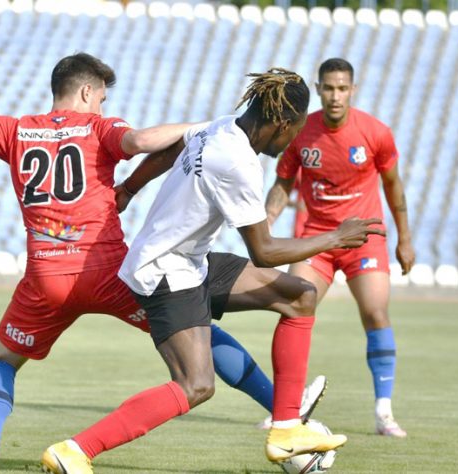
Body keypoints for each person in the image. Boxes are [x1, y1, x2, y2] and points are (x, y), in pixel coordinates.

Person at [0, 54, 324, 473]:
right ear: (86, 92)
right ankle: (285, 409)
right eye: (102, 96)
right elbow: (141, 142)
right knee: (199, 337)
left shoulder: (15, 130)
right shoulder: (99, 127)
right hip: (108, 273)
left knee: (2, 360)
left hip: (45, 280)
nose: (104, 104)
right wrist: (205, 128)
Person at [41, 68, 385, 474]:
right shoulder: (238, 163)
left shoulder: (221, 127)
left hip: (190, 260)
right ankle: (74, 450)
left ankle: (287, 427)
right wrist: (335, 238)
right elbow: (264, 252)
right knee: (196, 385)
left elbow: (171, 149)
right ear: (281, 123)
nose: (293, 140)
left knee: (300, 296)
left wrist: (130, 188)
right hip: (164, 272)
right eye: (294, 131)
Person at [265, 58, 415, 437]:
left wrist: (405, 238)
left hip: (364, 236)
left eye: (342, 88)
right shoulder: (301, 131)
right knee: (293, 306)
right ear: (319, 89)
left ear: (353, 90)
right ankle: (285, 408)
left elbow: (393, 185)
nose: (335, 96)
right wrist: (266, 221)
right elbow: (283, 184)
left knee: (375, 312)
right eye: (329, 88)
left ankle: (384, 412)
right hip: (318, 238)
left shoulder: (375, 133)